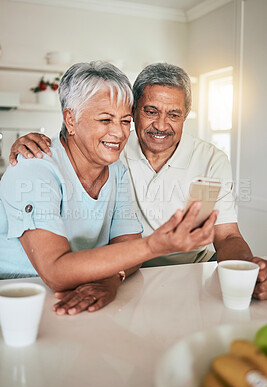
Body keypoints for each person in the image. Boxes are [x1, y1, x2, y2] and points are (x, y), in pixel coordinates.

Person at [8, 62, 267, 301]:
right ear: (135, 111)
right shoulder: (107, 153)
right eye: (151, 111)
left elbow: (226, 235)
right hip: (65, 284)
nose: (161, 125)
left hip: (180, 272)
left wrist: (245, 271)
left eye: (174, 115)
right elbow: (56, 269)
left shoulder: (204, 160)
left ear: (186, 115)